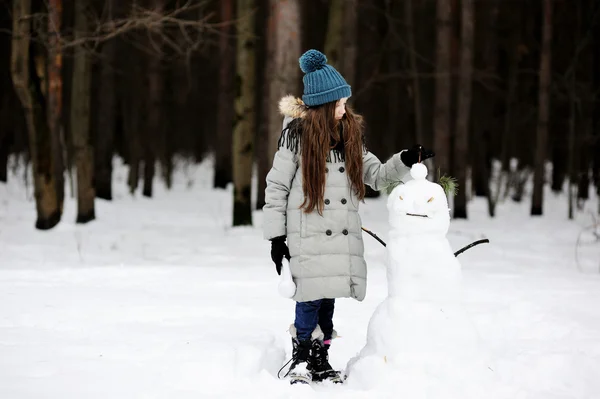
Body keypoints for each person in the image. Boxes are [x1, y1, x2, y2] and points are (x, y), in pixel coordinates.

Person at [262, 49, 434, 384]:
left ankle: (320, 358)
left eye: (345, 101)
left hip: (339, 235)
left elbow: (379, 176)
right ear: (323, 105)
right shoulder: (296, 139)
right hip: (306, 236)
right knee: (309, 299)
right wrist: (276, 237)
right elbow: (276, 187)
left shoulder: (350, 139)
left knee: (326, 301)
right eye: (339, 103)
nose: (344, 108)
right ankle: (302, 356)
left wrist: (404, 158)